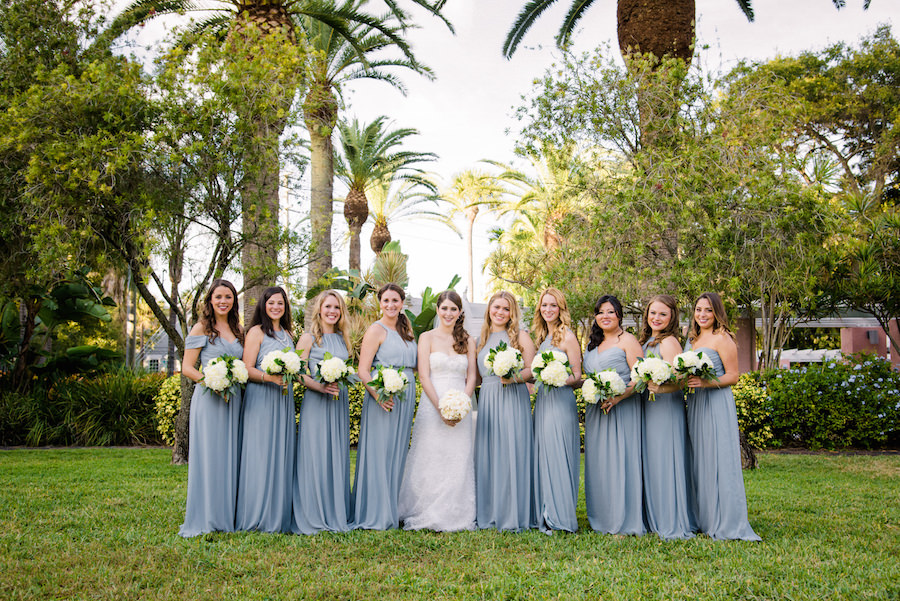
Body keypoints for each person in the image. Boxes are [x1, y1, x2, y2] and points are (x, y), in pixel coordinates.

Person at [398, 290, 477, 531]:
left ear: (460, 312)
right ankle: (423, 509)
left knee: (457, 457)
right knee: (430, 455)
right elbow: (423, 376)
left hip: (460, 405)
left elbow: (472, 376)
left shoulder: (468, 340)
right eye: (444, 308)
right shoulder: (427, 338)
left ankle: (455, 511)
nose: (449, 313)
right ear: (438, 309)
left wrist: (462, 404)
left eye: (454, 309)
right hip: (433, 403)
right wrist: (441, 408)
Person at [684, 292, 761, 541]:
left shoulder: (722, 337)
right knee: (701, 458)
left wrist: (705, 383)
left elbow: (733, 376)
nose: (702, 315)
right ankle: (705, 518)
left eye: (708, 310)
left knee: (718, 458)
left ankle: (726, 520)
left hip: (715, 402)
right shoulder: (693, 337)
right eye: (698, 310)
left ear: (717, 313)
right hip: (696, 404)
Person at [179, 279, 245, 537]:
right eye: (218, 296)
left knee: (231, 455)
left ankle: (228, 515)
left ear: (233, 301)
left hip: (235, 400)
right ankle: (206, 515)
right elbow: (187, 368)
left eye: (228, 297)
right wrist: (211, 381)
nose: (223, 301)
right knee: (210, 456)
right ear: (210, 300)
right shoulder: (201, 328)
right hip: (209, 398)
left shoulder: (239, 329)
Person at [351, 283, 418, 530]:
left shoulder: (407, 331)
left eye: (395, 301)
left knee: (397, 452)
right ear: (380, 303)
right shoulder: (375, 330)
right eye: (386, 301)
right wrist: (379, 394)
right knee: (380, 452)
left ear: (402, 303)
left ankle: (392, 507)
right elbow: (363, 370)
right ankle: (375, 512)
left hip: (405, 396)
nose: (391, 305)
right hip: (383, 396)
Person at [582, 294, 646, 535]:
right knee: (599, 463)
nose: (605, 316)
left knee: (621, 460)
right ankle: (603, 517)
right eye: (600, 312)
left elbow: (641, 377)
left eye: (610, 311)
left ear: (619, 314)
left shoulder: (628, 341)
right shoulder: (591, 345)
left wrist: (618, 397)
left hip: (623, 410)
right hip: (596, 412)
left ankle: (624, 519)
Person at [291, 290, 353, 534]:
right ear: (319, 309)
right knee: (315, 454)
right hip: (317, 401)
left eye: (336, 308)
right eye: (328, 306)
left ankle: (334, 511)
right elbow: (297, 370)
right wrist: (319, 385)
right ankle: (312, 513)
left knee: (335, 454)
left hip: (338, 402)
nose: (332, 311)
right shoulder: (308, 338)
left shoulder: (343, 339)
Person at [236, 286, 296, 533]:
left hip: (283, 400)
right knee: (261, 454)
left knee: (280, 454)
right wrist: (269, 379)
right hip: (261, 398)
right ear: (263, 305)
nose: (276, 307)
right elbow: (246, 368)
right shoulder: (256, 332)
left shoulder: (288, 334)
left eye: (280, 303)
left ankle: (277, 514)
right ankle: (257, 515)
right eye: (271, 303)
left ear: (285, 307)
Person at [475, 291, 536, 531]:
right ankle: (489, 512)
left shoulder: (521, 336)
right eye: (496, 307)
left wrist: (513, 378)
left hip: (512, 397)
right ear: (489, 309)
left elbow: (532, 369)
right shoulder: (480, 338)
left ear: (512, 313)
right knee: (490, 454)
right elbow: (477, 376)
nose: (500, 312)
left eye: (506, 309)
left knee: (512, 452)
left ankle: (513, 514)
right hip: (488, 400)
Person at [639, 295, 697, 540]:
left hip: (666, 410)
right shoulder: (646, 340)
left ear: (672, 317)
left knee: (665, 460)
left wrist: (660, 388)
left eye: (663, 314)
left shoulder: (670, 342)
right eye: (653, 313)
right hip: (649, 408)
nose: (657, 318)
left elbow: (681, 381)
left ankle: (670, 519)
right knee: (652, 461)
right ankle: (654, 517)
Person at [530, 287, 582, 533]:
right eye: (544, 305)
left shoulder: (568, 337)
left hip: (561, 401)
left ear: (561, 309)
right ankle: (546, 512)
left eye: (553, 305)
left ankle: (560, 517)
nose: (548, 309)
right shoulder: (541, 337)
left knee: (558, 454)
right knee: (544, 454)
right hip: (543, 402)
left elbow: (578, 376)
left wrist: (556, 378)